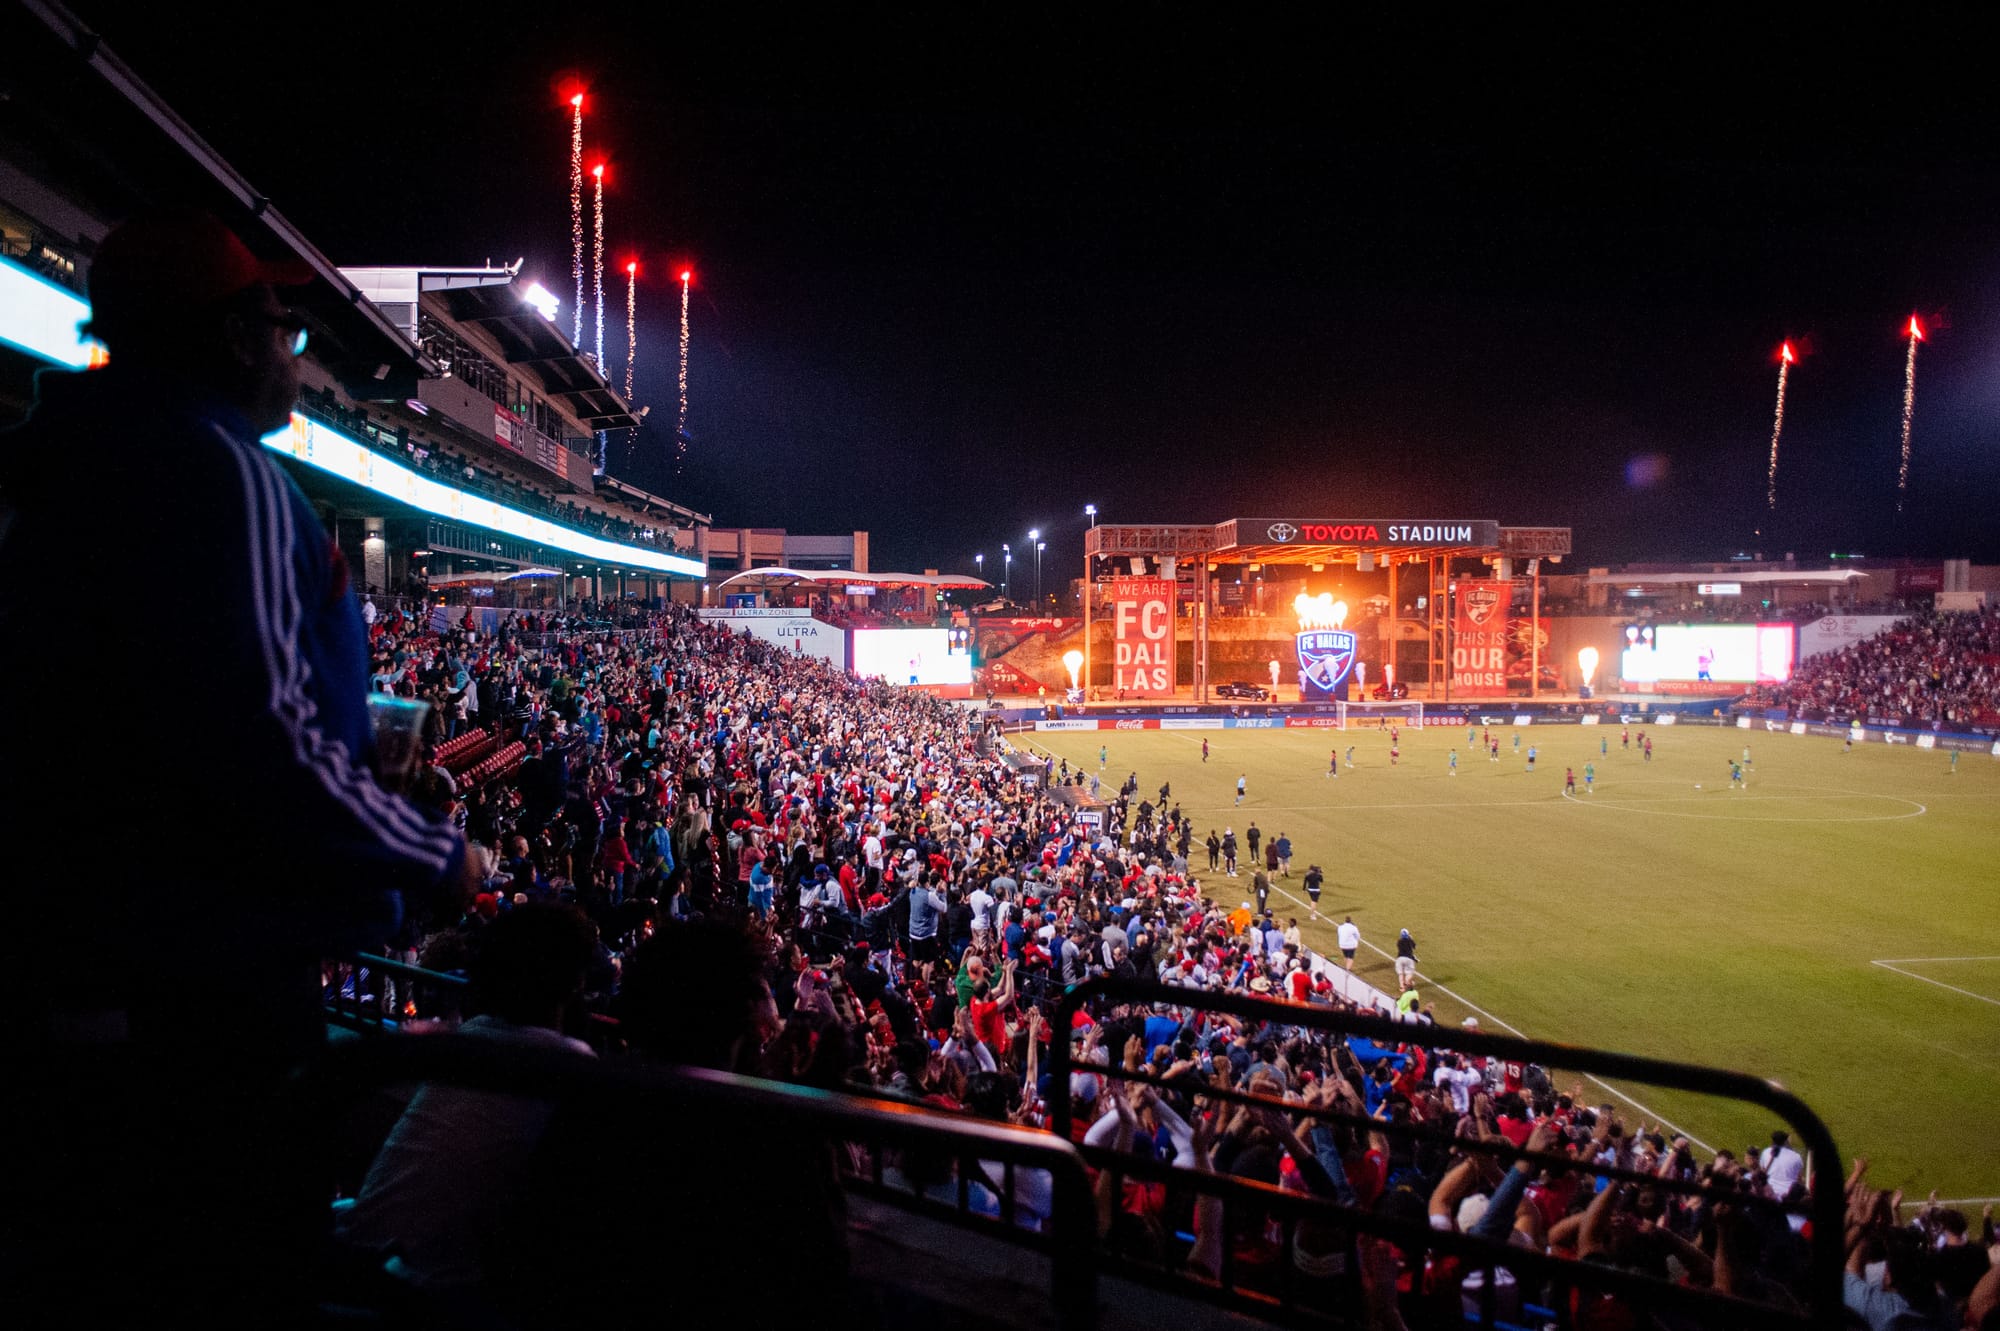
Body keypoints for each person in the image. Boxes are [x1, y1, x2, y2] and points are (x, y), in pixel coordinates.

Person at [0, 212, 477, 1324]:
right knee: (230, 1254)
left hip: (62, 962)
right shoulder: (221, 472)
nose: (294, 355)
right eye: (281, 328)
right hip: (200, 985)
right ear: (228, 338)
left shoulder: (50, 457)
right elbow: (259, 731)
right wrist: (431, 846)